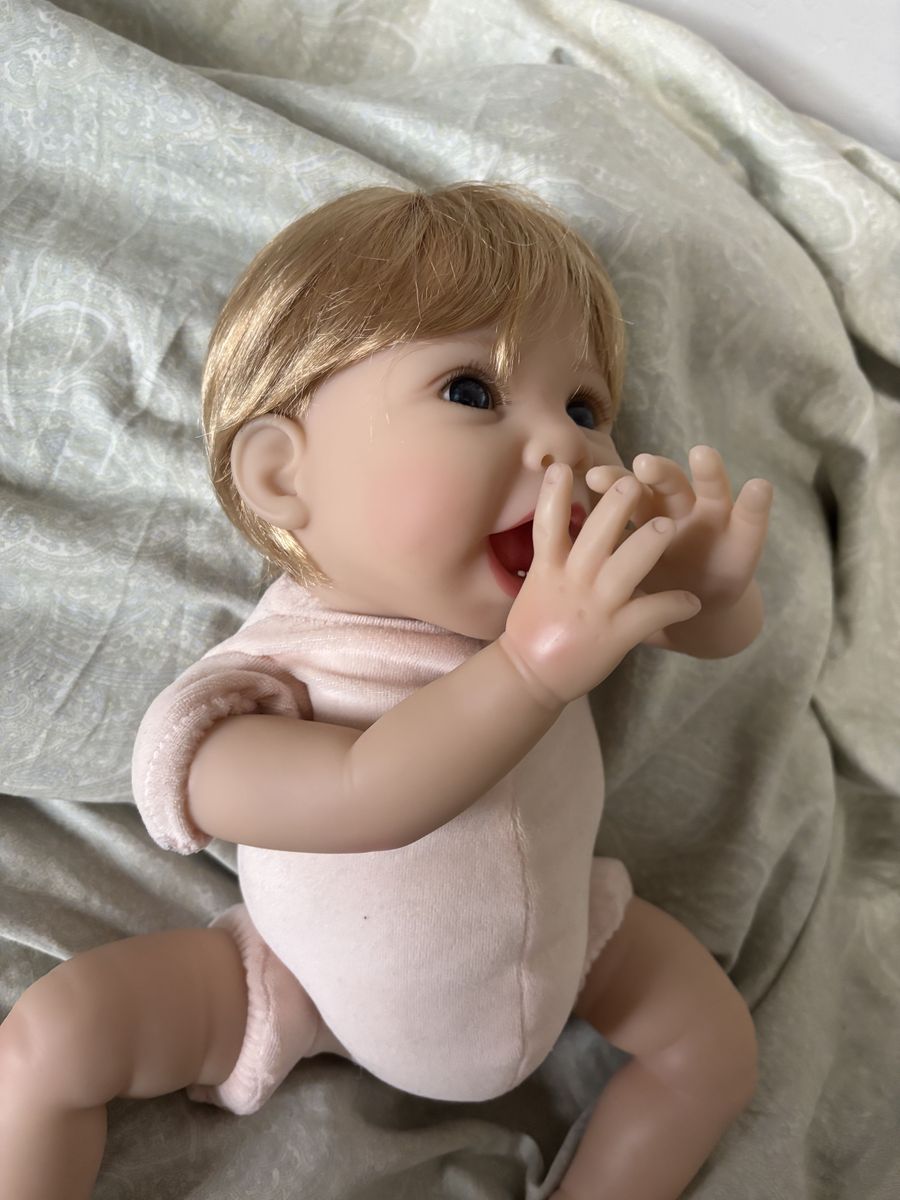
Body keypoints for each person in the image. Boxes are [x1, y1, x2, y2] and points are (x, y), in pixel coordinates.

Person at [0, 182, 772, 1200]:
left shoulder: (560, 618)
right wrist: (531, 668)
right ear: (283, 477)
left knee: (715, 1048)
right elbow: (367, 794)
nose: (566, 447)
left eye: (585, 408)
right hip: (310, 983)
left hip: (568, 938)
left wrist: (709, 592)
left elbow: (707, 637)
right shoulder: (266, 681)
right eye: (472, 392)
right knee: (58, 1036)